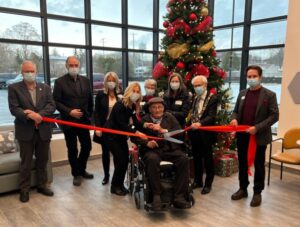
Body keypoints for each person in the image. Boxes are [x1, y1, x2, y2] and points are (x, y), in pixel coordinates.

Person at [230, 65, 279, 207]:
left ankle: (257, 192)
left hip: (259, 136)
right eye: (249, 77)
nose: (251, 79)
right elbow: (235, 111)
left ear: (260, 77)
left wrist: (257, 128)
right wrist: (234, 119)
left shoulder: (269, 95)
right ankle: (242, 188)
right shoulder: (242, 93)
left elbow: (274, 116)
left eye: (254, 76)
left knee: (258, 164)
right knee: (243, 163)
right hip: (243, 135)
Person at [8, 60, 55, 202]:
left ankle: (42, 185)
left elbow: (51, 105)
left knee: (42, 160)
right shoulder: (14, 88)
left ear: (36, 72)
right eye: (26, 71)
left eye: (32, 71)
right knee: (26, 162)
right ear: (22, 73)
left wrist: (39, 115)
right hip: (25, 131)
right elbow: (14, 108)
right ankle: (24, 189)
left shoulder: (45, 87)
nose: (29, 73)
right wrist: (29, 115)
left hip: (43, 130)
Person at [134, 97, 191, 211]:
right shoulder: (144, 120)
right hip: (153, 150)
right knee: (152, 159)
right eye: (154, 107)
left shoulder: (169, 118)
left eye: (160, 107)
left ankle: (179, 196)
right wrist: (146, 143)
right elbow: (134, 136)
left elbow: (180, 134)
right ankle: (156, 196)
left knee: (183, 159)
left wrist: (163, 130)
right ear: (150, 109)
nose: (157, 110)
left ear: (164, 108)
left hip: (170, 149)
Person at [53, 56, 94, 186]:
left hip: (83, 121)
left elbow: (89, 100)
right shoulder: (59, 82)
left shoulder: (86, 81)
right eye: (71, 65)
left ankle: (81, 169)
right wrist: (69, 111)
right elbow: (56, 101)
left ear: (79, 66)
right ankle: (76, 174)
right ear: (66, 66)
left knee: (87, 146)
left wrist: (90, 116)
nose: (74, 67)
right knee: (72, 149)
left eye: (76, 65)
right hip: (68, 121)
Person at [105, 82, 144, 196]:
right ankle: (114, 186)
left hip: (121, 137)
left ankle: (120, 184)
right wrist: (136, 132)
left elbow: (135, 122)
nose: (136, 94)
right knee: (121, 161)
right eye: (134, 91)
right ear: (129, 91)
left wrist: (145, 125)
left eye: (138, 92)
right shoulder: (120, 104)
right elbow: (121, 124)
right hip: (112, 137)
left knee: (124, 160)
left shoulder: (131, 105)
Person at [187, 75, 217, 195]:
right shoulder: (194, 97)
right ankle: (198, 180)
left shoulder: (212, 98)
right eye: (195, 86)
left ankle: (208, 184)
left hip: (206, 134)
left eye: (199, 85)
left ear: (205, 85)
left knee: (208, 159)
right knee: (196, 158)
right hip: (194, 133)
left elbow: (211, 116)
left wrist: (200, 123)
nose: (197, 88)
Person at [93, 72, 122, 185]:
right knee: (105, 153)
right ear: (105, 82)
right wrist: (98, 128)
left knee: (117, 154)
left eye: (113, 80)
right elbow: (96, 113)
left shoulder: (120, 94)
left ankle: (116, 175)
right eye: (109, 80)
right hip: (104, 129)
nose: (111, 82)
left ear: (116, 82)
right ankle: (106, 176)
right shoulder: (100, 95)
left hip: (117, 129)